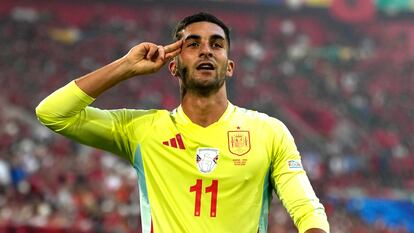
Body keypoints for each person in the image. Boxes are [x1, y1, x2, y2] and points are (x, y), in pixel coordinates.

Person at [36, 12, 329, 233]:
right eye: (193, 44)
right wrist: (126, 66)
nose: (206, 50)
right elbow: (53, 113)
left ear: (229, 67)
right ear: (172, 65)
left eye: (217, 44)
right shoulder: (142, 130)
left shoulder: (268, 132)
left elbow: (307, 209)